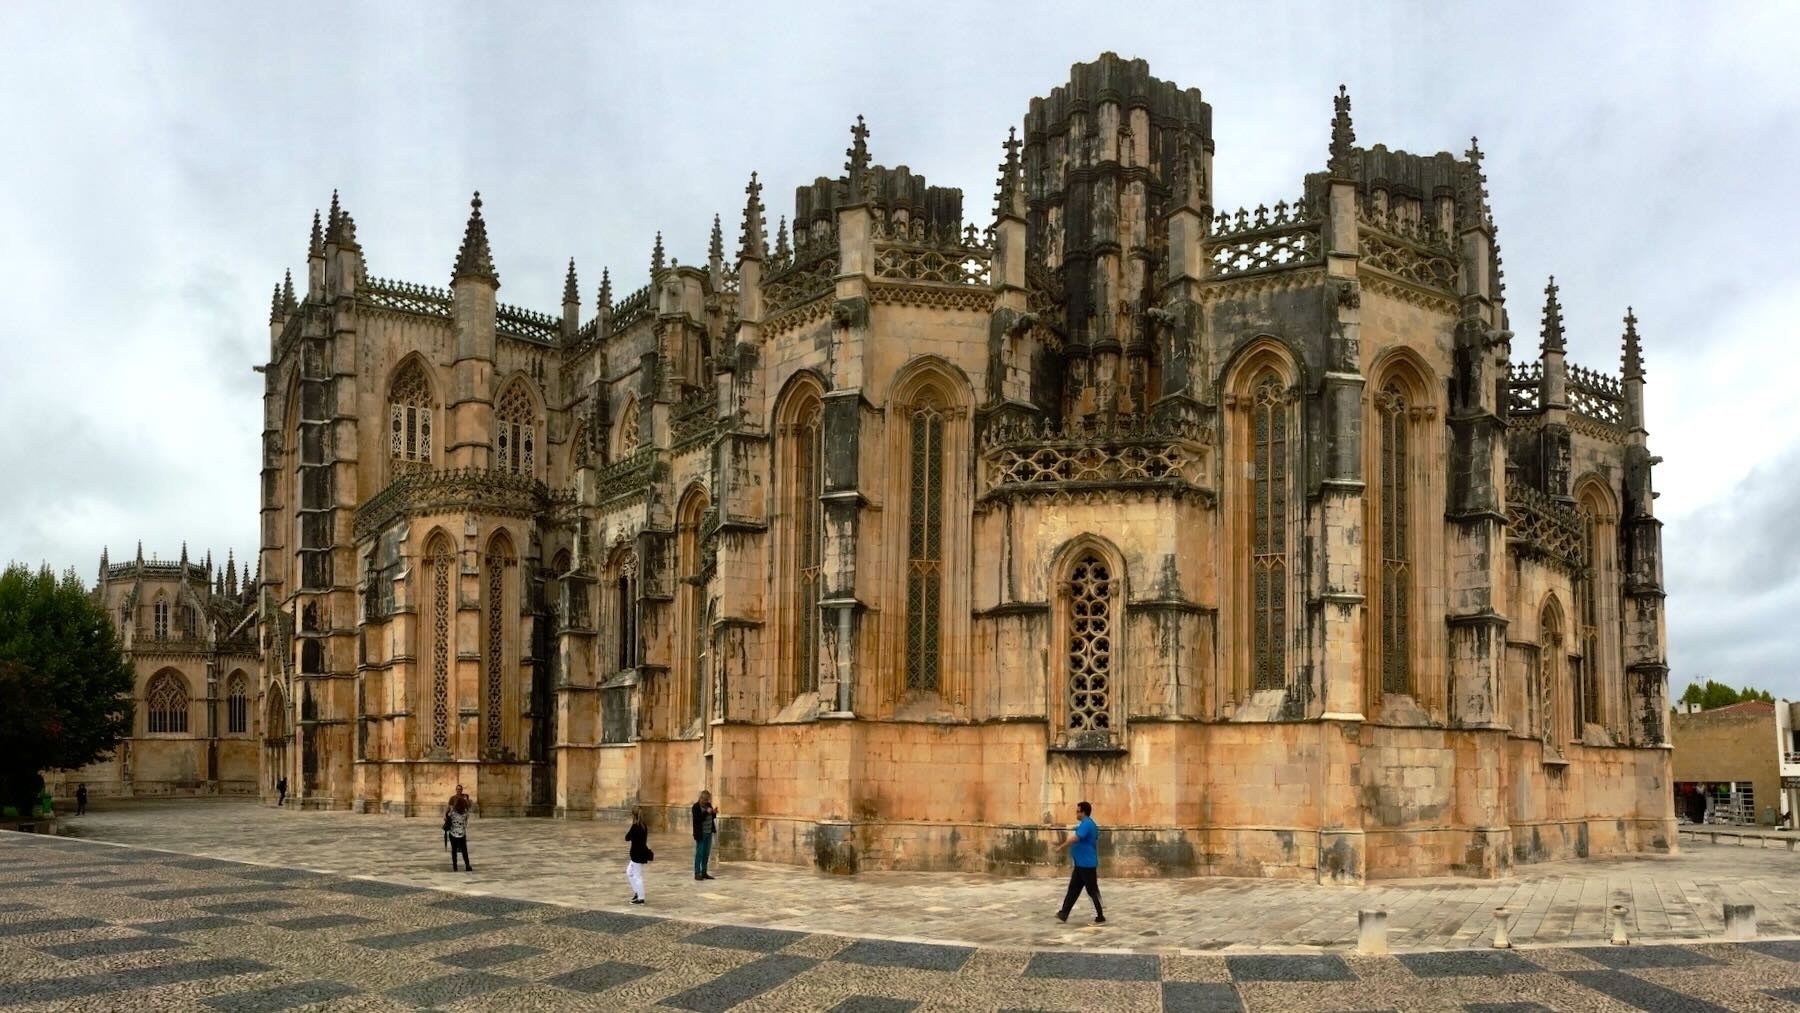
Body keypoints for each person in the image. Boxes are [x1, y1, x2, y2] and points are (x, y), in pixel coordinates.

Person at [1054, 800, 1105, 924]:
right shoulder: (1086, 824)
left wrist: (1062, 846)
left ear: (1084, 812)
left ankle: (1100, 915)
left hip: (1087, 865)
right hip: (1081, 864)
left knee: (1091, 890)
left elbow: (1077, 838)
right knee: (1073, 889)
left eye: (1078, 811)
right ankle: (1064, 913)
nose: (1076, 813)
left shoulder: (1087, 824)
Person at [625, 807, 652, 904]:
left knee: (637, 876)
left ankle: (641, 897)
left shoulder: (635, 826)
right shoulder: (643, 826)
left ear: (633, 815)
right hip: (639, 854)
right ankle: (637, 892)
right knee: (629, 872)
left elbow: (627, 838)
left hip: (637, 854)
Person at [446, 793, 473, 872]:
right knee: (464, 850)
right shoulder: (465, 814)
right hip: (462, 833)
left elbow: (447, 816)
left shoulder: (452, 813)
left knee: (454, 850)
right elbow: (467, 814)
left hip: (453, 833)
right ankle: (467, 865)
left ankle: (455, 866)